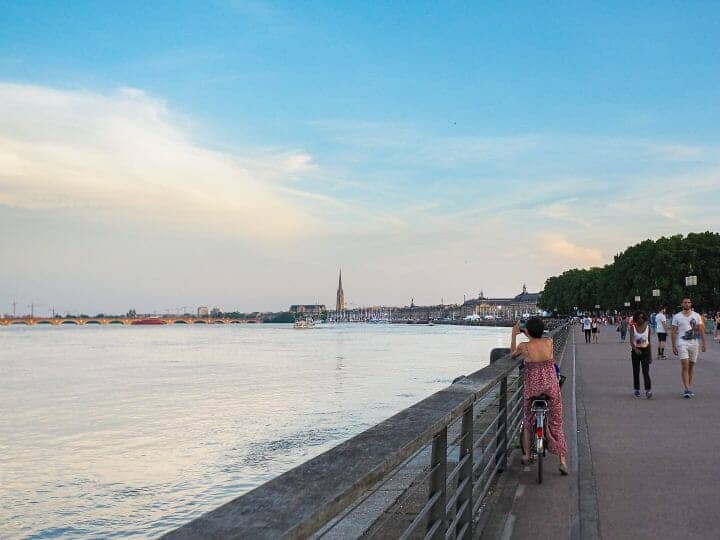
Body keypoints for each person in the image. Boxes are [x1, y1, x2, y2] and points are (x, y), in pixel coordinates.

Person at [511, 317, 569, 475]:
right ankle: (563, 461)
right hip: (551, 387)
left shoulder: (524, 346)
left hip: (533, 389)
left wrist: (514, 334)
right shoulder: (549, 341)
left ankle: (528, 454)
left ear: (527, 331)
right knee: (556, 422)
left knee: (528, 421)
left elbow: (512, 355)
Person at [671, 297, 707, 398]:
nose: (687, 304)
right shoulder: (677, 316)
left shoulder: (696, 316)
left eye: (688, 302)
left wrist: (704, 343)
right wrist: (673, 346)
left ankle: (688, 387)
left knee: (691, 366)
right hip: (682, 343)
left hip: (694, 343)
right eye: (685, 302)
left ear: (691, 304)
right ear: (682, 304)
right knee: (685, 365)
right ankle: (687, 389)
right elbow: (673, 332)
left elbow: (701, 330)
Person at [630, 311, 653, 398]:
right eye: (639, 318)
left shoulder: (648, 327)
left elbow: (649, 341)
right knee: (636, 371)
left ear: (645, 319)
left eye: (642, 318)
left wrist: (650, 356)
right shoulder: (633, 327)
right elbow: (631, 341)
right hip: (635, 352)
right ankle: (637, 389)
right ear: (636, 318)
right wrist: (635, 349)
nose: (640, 319)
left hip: (645, 351)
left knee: (645, 371)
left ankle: (648, 389)